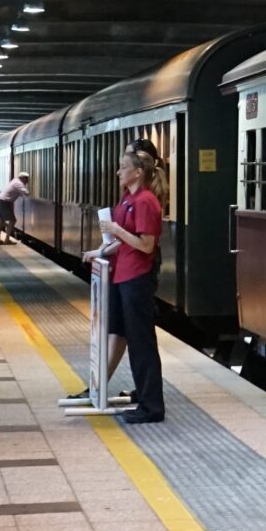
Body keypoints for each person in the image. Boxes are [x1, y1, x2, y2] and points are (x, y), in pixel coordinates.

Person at [102, 152, 165, 423]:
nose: (118, 172)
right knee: (134, 340)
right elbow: (127, 241)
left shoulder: (145, 202)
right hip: (123, 275)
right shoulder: (129, 198)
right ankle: (143, 395)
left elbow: (146, 245)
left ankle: (152, 407)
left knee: (142, 344)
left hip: (137, 278)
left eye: (123, 167)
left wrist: (116, 230)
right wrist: (101, 251)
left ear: (138, 172)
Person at [0, 171, 29, 244]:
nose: (27, 181)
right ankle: (6, 240)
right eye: (26, 179)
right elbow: (27, 193)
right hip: (5, 202)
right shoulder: (18, 183)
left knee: (1, 220)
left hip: (4, 201)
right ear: (22, 178)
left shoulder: (15, 181)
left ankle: (0, 240)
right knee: (11, 220)